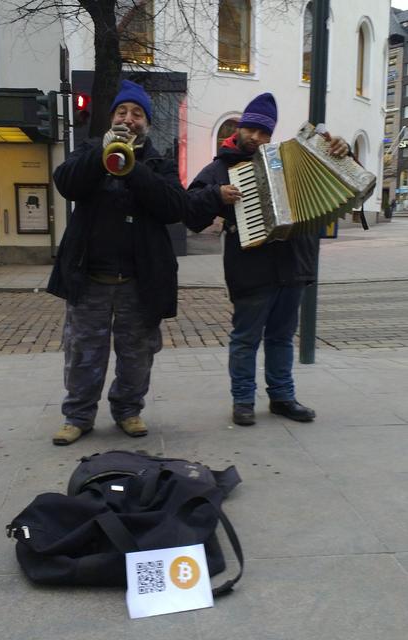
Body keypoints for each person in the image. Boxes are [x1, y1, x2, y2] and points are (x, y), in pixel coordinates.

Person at [187, 92, 350, 426]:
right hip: (250, 269)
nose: (257, 138)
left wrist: (343, 152)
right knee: (246, 338)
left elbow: (346, 179)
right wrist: (216, 195)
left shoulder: (291, 158)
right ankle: (243, 400)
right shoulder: (221, 167)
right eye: (252, 130)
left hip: (292, 267)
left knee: (281, 337)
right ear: (240, 127)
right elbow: (189, 211)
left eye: (264, 133)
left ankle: (282, 397)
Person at [48, 80, 194, 445]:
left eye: (137, 113)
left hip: (138, 283)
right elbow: (66, 182)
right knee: (83, 353)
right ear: (112, 117)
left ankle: (128, 411)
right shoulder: (90, 151)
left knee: (137, 356)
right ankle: (78, 416)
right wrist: (102, 155)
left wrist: (133, 169)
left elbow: (175, 207)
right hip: (90, 278)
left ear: (146, 122)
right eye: (122, 112)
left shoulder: (158, 162)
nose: (129, 119)